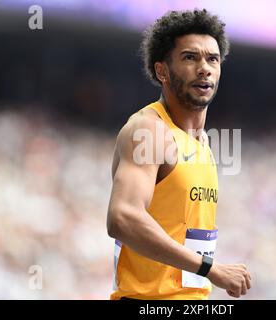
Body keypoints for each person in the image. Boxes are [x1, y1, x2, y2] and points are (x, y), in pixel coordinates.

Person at [107, 9, 251, 300]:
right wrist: (210, 269)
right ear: (162, 71)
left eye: (212, 59)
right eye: (190, 57)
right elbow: (123, 217)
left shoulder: (203, 145)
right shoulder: (150, 129)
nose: (204, 68)